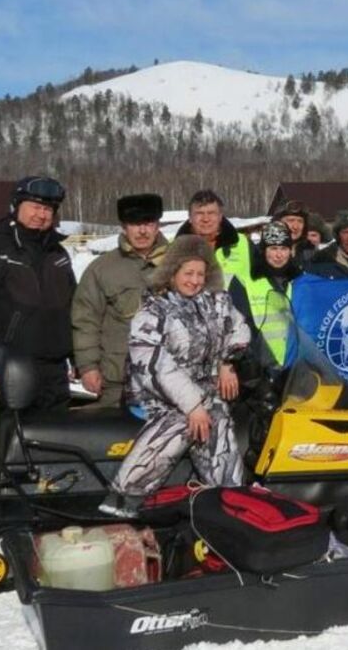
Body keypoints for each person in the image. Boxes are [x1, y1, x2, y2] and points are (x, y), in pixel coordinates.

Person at [100, 236, 250, 515]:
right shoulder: (154, 311)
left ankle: (230, 504)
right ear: (172, 273)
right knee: (181, 425)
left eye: (200, 274)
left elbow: (238, 328)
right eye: (188, 273)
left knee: (218, 420)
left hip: (205, 395)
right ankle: (124, 498)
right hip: (160, 398)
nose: (195, 281)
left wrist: (228, 361)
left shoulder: (215, 301)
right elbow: (155, 364)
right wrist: (192, 405)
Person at [0, 175, 77, 410]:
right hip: (12, 369)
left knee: (57, 430)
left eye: (48, 209)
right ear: (16, 206)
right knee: (16, 432)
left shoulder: (57, 255)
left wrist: (79, 358)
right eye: (35, 207)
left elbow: (73, 308)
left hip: (55, 371)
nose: (41, 215)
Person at [71, 193, 168, 408]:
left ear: (157, 226)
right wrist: (88, 367)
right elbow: (85, 320)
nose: (142, 231)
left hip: (170, 380)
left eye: (148, 223)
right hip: (118, 381)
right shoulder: (102, 269)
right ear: (124, 227)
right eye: (135, 224)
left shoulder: (178, 264)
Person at [234, 222, 299, 367]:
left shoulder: (300, 281)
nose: (279, 255)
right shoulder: (244, 281)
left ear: (290, 251)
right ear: (263, 250)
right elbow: (237, 326)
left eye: (284, 248)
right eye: (273, 248)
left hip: (295, 364)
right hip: (259, 366)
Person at [175, 190, 252, 293]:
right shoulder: (174, 248)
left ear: (220, 217)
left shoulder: (243, 244)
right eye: (199, 213)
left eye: (211, 213)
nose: (206, 219)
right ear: (190, 218)